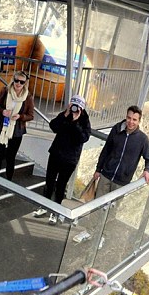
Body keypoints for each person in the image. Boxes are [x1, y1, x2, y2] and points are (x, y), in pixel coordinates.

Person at [33, 94, 91, 224]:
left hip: (69, 159)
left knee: (61, 186)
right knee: (49, 181)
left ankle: (55, 211)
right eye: (73, 105)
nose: (75, 109)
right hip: (56, 154)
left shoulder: (84, 120)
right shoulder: (65, 114)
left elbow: (83, 138)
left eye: (77, 106)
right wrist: (65, 114)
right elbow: (53, 126)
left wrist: (76, 122)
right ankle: (44, 206)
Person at [0, 70, 34, 192]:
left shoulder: (28, 97)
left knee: (10, 158)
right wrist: (3, 111)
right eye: (16, 80)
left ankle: (8, 184)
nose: (18, 84)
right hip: (2, 129)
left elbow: (31, 115)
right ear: (13, 80)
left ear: (25, 83)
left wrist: (20, 117)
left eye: (21, 82)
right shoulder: (5, 91)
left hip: (17, 131)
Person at [93, 105, 149, 196]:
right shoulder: (116, 130)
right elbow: (106, 150)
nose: (131, 122)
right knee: (96, 207)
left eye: (134, 119)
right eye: (129, 118)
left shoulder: (142, 139)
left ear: (139, 121)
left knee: (112, 210)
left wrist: (147, 170)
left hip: (121, 183)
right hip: (105, 176)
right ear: (126, 117)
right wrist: (98, 169)